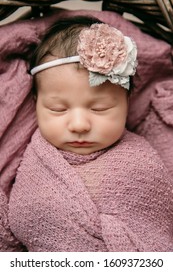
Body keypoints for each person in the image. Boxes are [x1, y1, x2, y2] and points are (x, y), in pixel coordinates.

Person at [1, 16, 173, 251]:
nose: (79, 125)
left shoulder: (140, 161)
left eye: (99, 108)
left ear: (127, 102)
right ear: (36, 102)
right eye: (58, 109)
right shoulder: (33, 160)